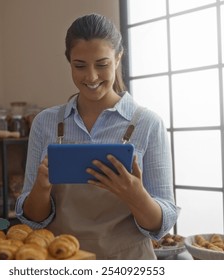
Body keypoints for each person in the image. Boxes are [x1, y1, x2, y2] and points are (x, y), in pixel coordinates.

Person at [15, 13, 178, 259]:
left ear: (118, 58)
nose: (91, 77)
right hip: (62, 259)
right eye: (79, 66)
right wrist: (41, 187)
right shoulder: (45, 123)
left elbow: (160, 225)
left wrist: (137, 196)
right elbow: (34, 220)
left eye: (102, 64)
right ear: (69, 61)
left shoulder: (148, 124)